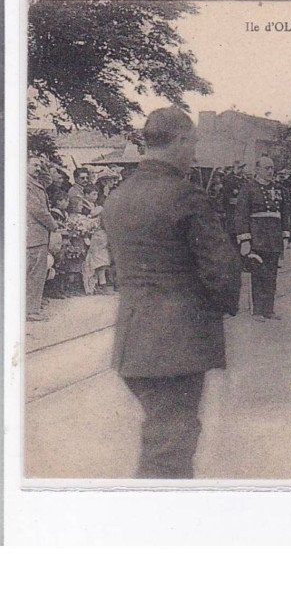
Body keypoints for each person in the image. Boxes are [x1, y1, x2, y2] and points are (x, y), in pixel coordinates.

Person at [102, 107, 241, 479]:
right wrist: (218, 306)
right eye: (193, 142)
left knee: (162, 437)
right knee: (171, 449)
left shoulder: (118, 197)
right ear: (179, 140)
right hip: (176, 345)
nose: (194, 152)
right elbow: (222, 270)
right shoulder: (186, 196)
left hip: (133, 341)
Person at [234, 154, 291, 320]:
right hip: (257, 236)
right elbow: (241, 215)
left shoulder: (279, 189)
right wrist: (245, 239)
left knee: (272, 275)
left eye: (272, 168)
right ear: (257, 169)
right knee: (258, 273)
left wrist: (285, 235)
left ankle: (269, 309)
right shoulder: (248, 188)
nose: (270, 171)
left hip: (273, 237)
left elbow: (285, 213)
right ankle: (258, 310)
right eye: (267, 168)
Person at [27, 156, 60, 321]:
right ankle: (31, 311)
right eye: (34, 165)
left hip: (37, 235)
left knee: (37, 272)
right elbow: (38, 210)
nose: (37, 168)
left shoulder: (35, 181)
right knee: (34, 273)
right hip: (34, 234)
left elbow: (48, 181)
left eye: (39, 166)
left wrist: (45, 165)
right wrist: (54, 226)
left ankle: (32, 307)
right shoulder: (26, 184)